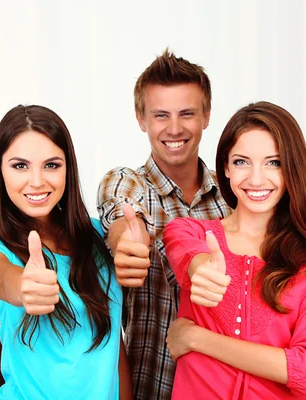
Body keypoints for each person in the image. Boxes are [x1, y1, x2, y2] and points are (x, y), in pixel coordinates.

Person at [163, 101, 306, 399]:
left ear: (292, 170)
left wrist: (196, 338)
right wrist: (202, 267)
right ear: (225, 167)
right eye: (242, 162)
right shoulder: (191, 231)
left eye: (274, 162)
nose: (256, 179)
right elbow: (188, 254)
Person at [0, 105, 132, 399]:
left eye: (51, 165)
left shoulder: (96, 236)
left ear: (68, 168)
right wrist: (22, 286)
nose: (37, 181)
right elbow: (3, 278)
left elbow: (112, 347)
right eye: (20, 166)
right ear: (0, 171)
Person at [97, 49, 231, 399]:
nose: (174, 128)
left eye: (187, 113)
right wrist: (128, 244)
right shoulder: (128, 183)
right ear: (141, 119)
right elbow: (122, 216)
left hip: (225, 388)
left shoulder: (234, 196)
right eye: (161, 115)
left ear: (206, 116)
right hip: (151, 388)